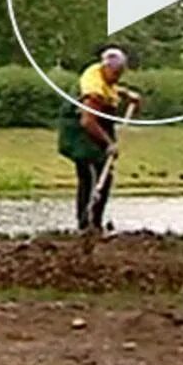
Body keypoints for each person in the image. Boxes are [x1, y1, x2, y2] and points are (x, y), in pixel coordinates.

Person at [56, 45, 142, 233]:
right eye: (116, 73)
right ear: (106, 68)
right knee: (93, 175)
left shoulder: (103, 75)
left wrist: (125, 93)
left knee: (102, 173)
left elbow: (110, 87)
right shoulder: (92, 88)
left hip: (95, 128)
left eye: (121, 73)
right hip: (80, 132)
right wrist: (109, 144)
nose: (118, 77)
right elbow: (88, 121)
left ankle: (94, 224)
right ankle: (87, 225)